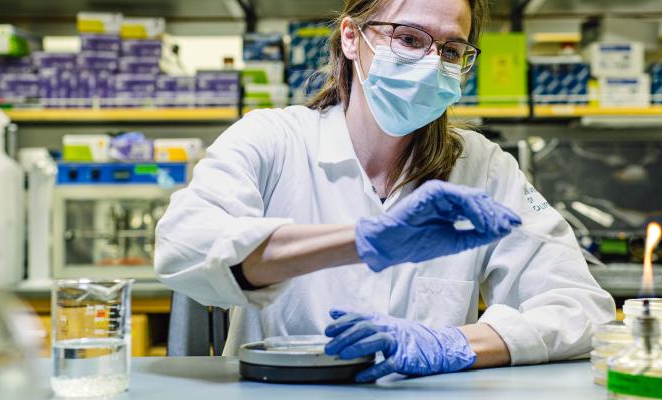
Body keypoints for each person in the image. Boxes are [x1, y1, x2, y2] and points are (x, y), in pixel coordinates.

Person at [155, 0, 615, 383]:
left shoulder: (482, 166)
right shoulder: (273, 139)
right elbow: (182, 245)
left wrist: (450, 344)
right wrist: (363, 240)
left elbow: (580, 308)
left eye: (451, 49)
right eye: (410, 39)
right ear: (352, 38)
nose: (432, 63)